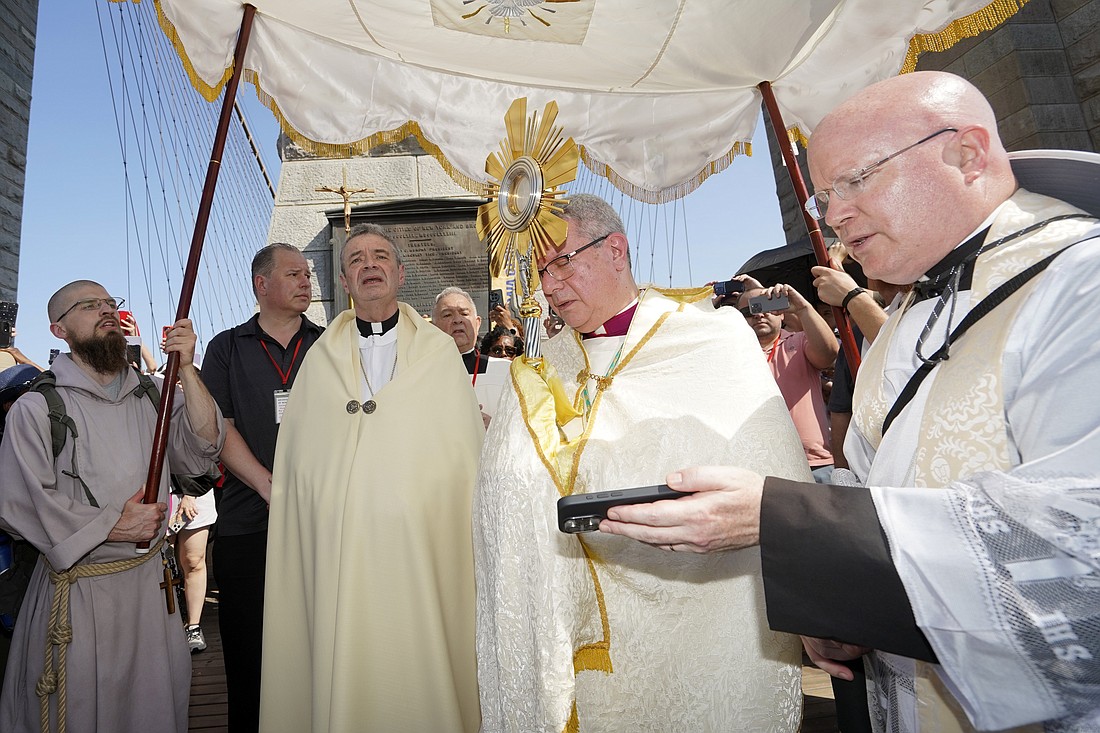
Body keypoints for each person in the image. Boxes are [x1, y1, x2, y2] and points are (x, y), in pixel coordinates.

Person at [599, 71, 1100, 733]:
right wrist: (845, 610)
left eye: (857, 180)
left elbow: (1077, 546)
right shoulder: (907, 321)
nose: (833, 215)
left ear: (967, 153)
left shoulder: (1079, 288)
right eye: (823, 197)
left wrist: (784, 520)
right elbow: (875, 490)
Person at [474, 194, 811, 732]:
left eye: (562, 261)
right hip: (587, 639)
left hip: (703, 618)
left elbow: (777, 478)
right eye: (541, 271)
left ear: (616, 250)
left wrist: (812, 600)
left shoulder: (712, 338)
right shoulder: (540, 372)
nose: (551, 285)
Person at [259, 223, 483, 732]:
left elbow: (461, 459)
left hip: (421, 550)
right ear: (344, 280)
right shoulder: (317, 364)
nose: (369, 264)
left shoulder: (438, 355)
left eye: (380, 256)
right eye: (356, 259)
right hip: (338, 550)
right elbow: (303, 466)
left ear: (401, 274)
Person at [0, 281, 223, 733]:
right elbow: (20, 502)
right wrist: (111, 526)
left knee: (155, 708)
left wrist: (188, 372)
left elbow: (202, 445)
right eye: (88, 306)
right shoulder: (37, 407)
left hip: (151, 593)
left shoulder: (152, 395)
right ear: (58, 329)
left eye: (109, 303)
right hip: (80, 595)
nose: (105, 311)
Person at [200, 242, 323, 733]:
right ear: (261, 285)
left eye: (308, 273)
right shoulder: (226, 347)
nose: (305, 281)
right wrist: (268, 486)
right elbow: (218, 428)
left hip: (322, 519)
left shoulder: (331, 342)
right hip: (248, 520)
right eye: (293, 273)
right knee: (250, 653)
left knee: (320, 646)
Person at [737, 282, 838, 481]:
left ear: (781, 312)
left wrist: (802, 308)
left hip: (814, 463)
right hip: (757, 465)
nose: (758, 315)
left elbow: (829, 353)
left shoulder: (798, 341)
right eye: (748, 311)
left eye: (763, 306)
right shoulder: (733, 354)